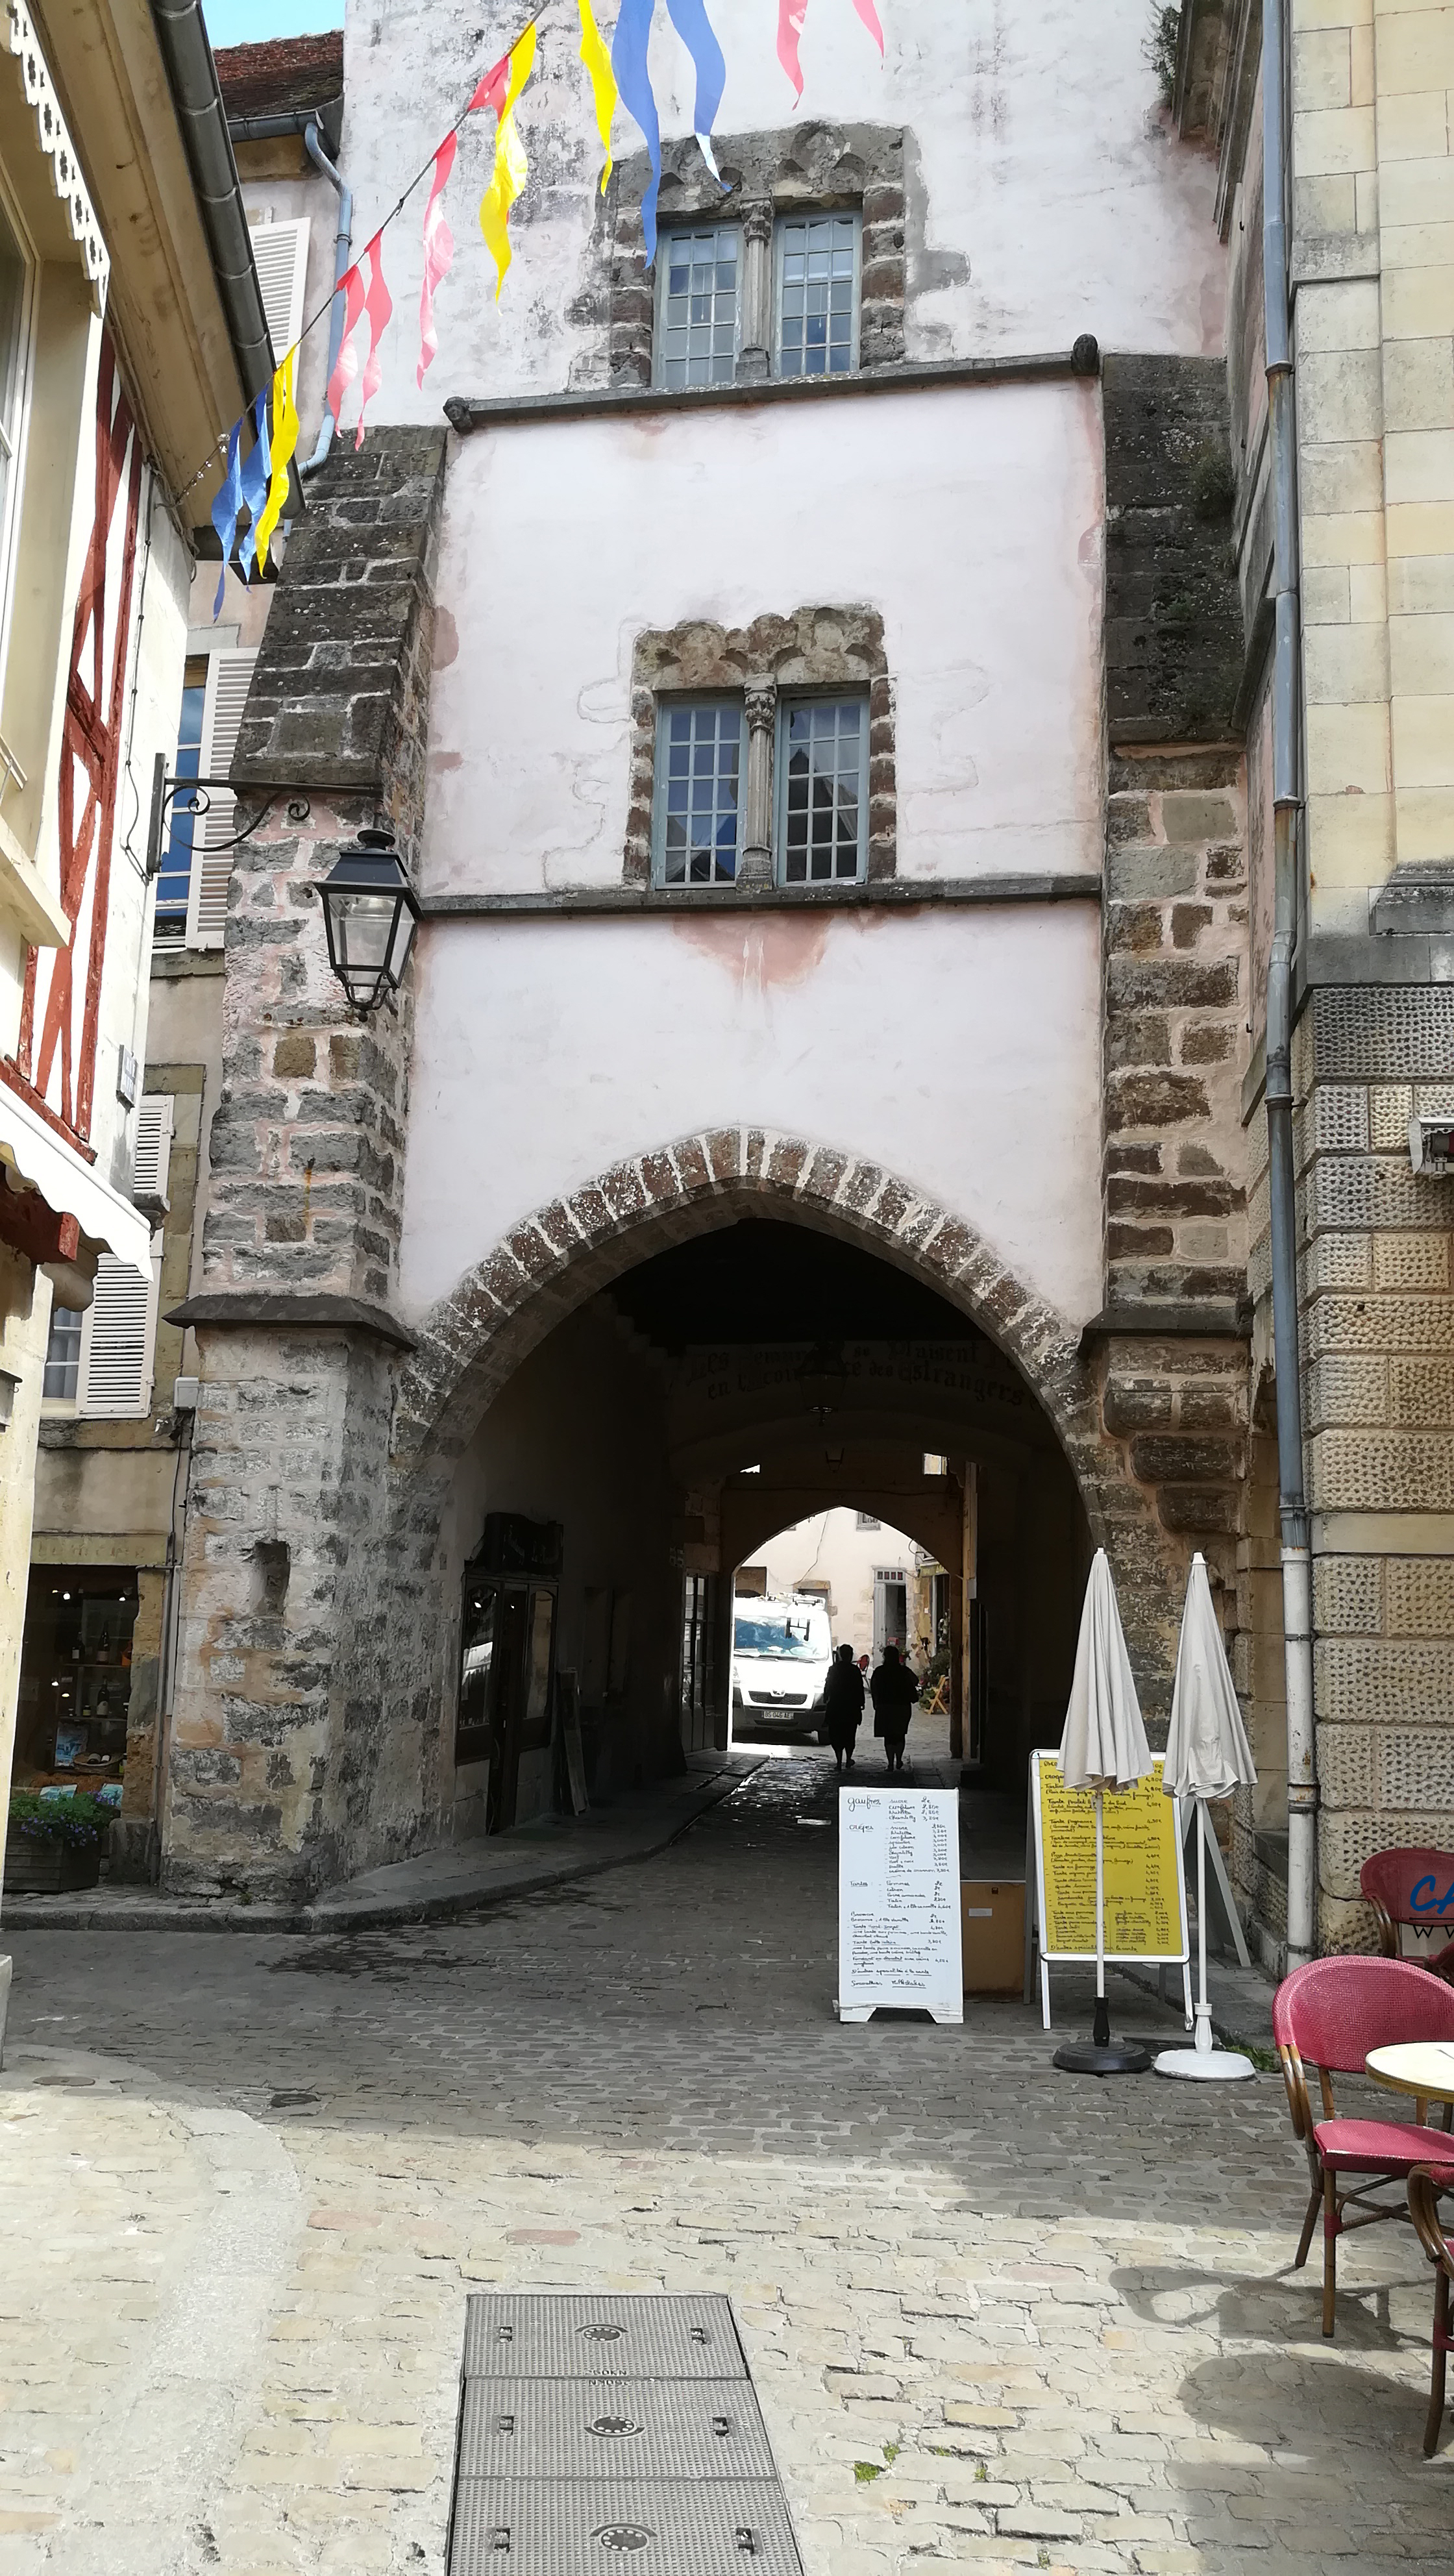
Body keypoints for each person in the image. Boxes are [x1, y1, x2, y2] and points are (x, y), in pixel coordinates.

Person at [869, 1643, 919, 1775]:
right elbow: (916, 1680)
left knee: (889, 1736)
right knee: (900, 1734)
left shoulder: (880, 1671)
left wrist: (876, 1703)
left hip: (885, 1706)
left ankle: (890, 1763)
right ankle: (899, 1760)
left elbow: (873, 1688)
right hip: (902, 1706)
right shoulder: (904, 1671)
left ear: (885, 1657)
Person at [820, 1644, 865, 1772]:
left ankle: (839, 1761)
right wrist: (862, 1703)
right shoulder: (855, 1670)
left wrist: (826, 1698)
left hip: (836, 1705)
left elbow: (828, 1685)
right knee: (850, 1734)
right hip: (851, 1707)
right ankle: (848, 1759)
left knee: (836, 1734)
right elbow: (859, 1688)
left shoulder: (834, 1669)